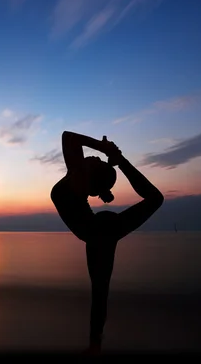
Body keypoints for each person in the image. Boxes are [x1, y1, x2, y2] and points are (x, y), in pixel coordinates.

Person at [50, 131, 164, 354]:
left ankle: (95, 346)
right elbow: (68, 137)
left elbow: (156, 198)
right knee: (99, 292)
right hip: (98, 228)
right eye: (100, 160)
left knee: (100, 292)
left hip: (102, 233)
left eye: (98, 163)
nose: (95, 158)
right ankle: (95, 344)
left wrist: (118, 160)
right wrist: (105, 149)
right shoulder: (76, 170)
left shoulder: (79, 174)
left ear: (91, 181)